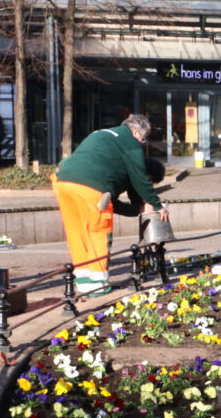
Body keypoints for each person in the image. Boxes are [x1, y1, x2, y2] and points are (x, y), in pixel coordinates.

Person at [52, 114, 169, 297]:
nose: (142, 143)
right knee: (99, 233)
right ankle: (98, 285)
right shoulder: (130, 142)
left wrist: (138, 208)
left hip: (63, 182)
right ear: (136, 131)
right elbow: (140, 179)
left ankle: (83, 283)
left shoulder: (103, 135)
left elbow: (116, 201)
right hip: (92, 186)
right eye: (144, 138)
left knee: (78, 234)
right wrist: (157, 205)